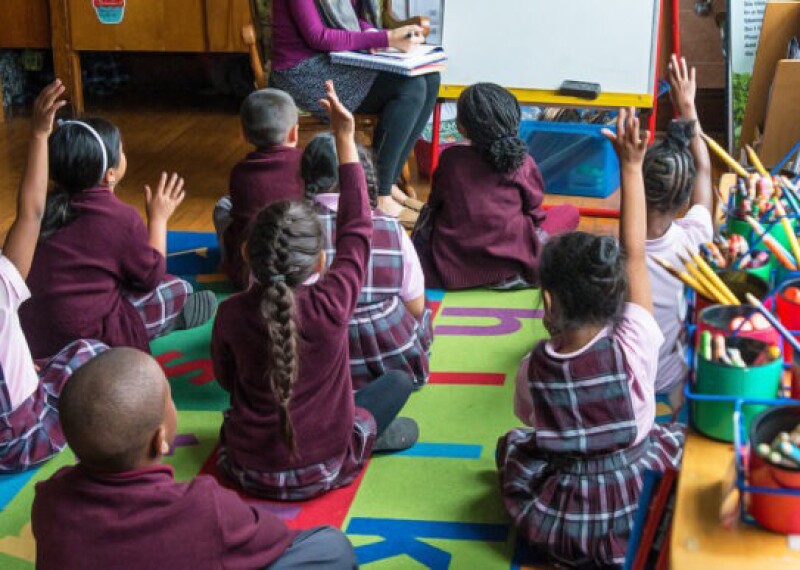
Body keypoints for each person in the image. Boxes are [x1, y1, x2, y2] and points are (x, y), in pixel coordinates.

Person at [212, 82, 418, 501]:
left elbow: (226, 381)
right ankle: (367, 432)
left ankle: (359, 426)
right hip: (329, 464)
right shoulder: (331, 302)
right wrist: (346, 139)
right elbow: (358, 227)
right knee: (396, 382)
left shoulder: (232, 313)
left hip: (247, 468)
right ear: (321, 262)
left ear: (248, 254)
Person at [497, 110, 685, 567]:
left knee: (512, 444)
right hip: (639, 498)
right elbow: (635, 254)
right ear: (615, 294)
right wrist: (632, 167)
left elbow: (533, 423)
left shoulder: (533, 370)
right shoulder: (634, 342)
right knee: (679, 440)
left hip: (569, 517)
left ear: (547, 302)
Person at [32, 348, 357, 570]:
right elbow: (277, 537)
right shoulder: (204, 506)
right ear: (161, 439)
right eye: (170, 399)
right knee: (331, 546)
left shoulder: (47, 501)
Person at [19, 115, 216, 359]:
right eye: (121, 149)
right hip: (85, 342)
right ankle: (162, 322)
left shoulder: (38, 211)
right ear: (109, 174)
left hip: (27, 336)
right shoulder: (121, 218)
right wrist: (158, 219)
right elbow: (150, 277)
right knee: (179, 288)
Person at [0, 80, 108, 472]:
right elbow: (30, 212)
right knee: (91, 352)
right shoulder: (1, 284)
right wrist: (39, 133)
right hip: (23, 440)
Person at [270, 0, 439, 218]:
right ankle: (378, 194)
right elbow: (318, 36)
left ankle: (389, 182)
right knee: (410, 87)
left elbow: (349, 20)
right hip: (303, 70)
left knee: (430, 77)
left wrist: (380, 34)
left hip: (337, 59)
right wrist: (386, 38)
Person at [413, 83, 580, 290]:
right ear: (514, 120)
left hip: (455, 266)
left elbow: (435, 203)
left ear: (461, 127)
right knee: (569, 213)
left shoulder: (450, 159)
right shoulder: (522, 162)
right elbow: (534, 211)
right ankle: (512, 276)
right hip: (513, 261)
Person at [302, 132, 432, 388]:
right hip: (392, 359)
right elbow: (416, 307)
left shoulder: (292, 228)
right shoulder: (390, 227)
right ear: (365, 175)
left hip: (316, 366)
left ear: (306, 176)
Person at [645, 54, 713, 399]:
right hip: (671, 378)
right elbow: (703, 168)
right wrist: (688, 106)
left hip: (624, 375)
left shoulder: (613, 253)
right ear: (684, 197)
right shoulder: (696, 238)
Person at [213, 88, 305, 288]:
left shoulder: (240, 172)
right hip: (302, 269)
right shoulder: (307, 164)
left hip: (248, 274)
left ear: (243, 134)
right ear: (294, 132)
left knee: (223, 205)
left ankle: (228, 259)